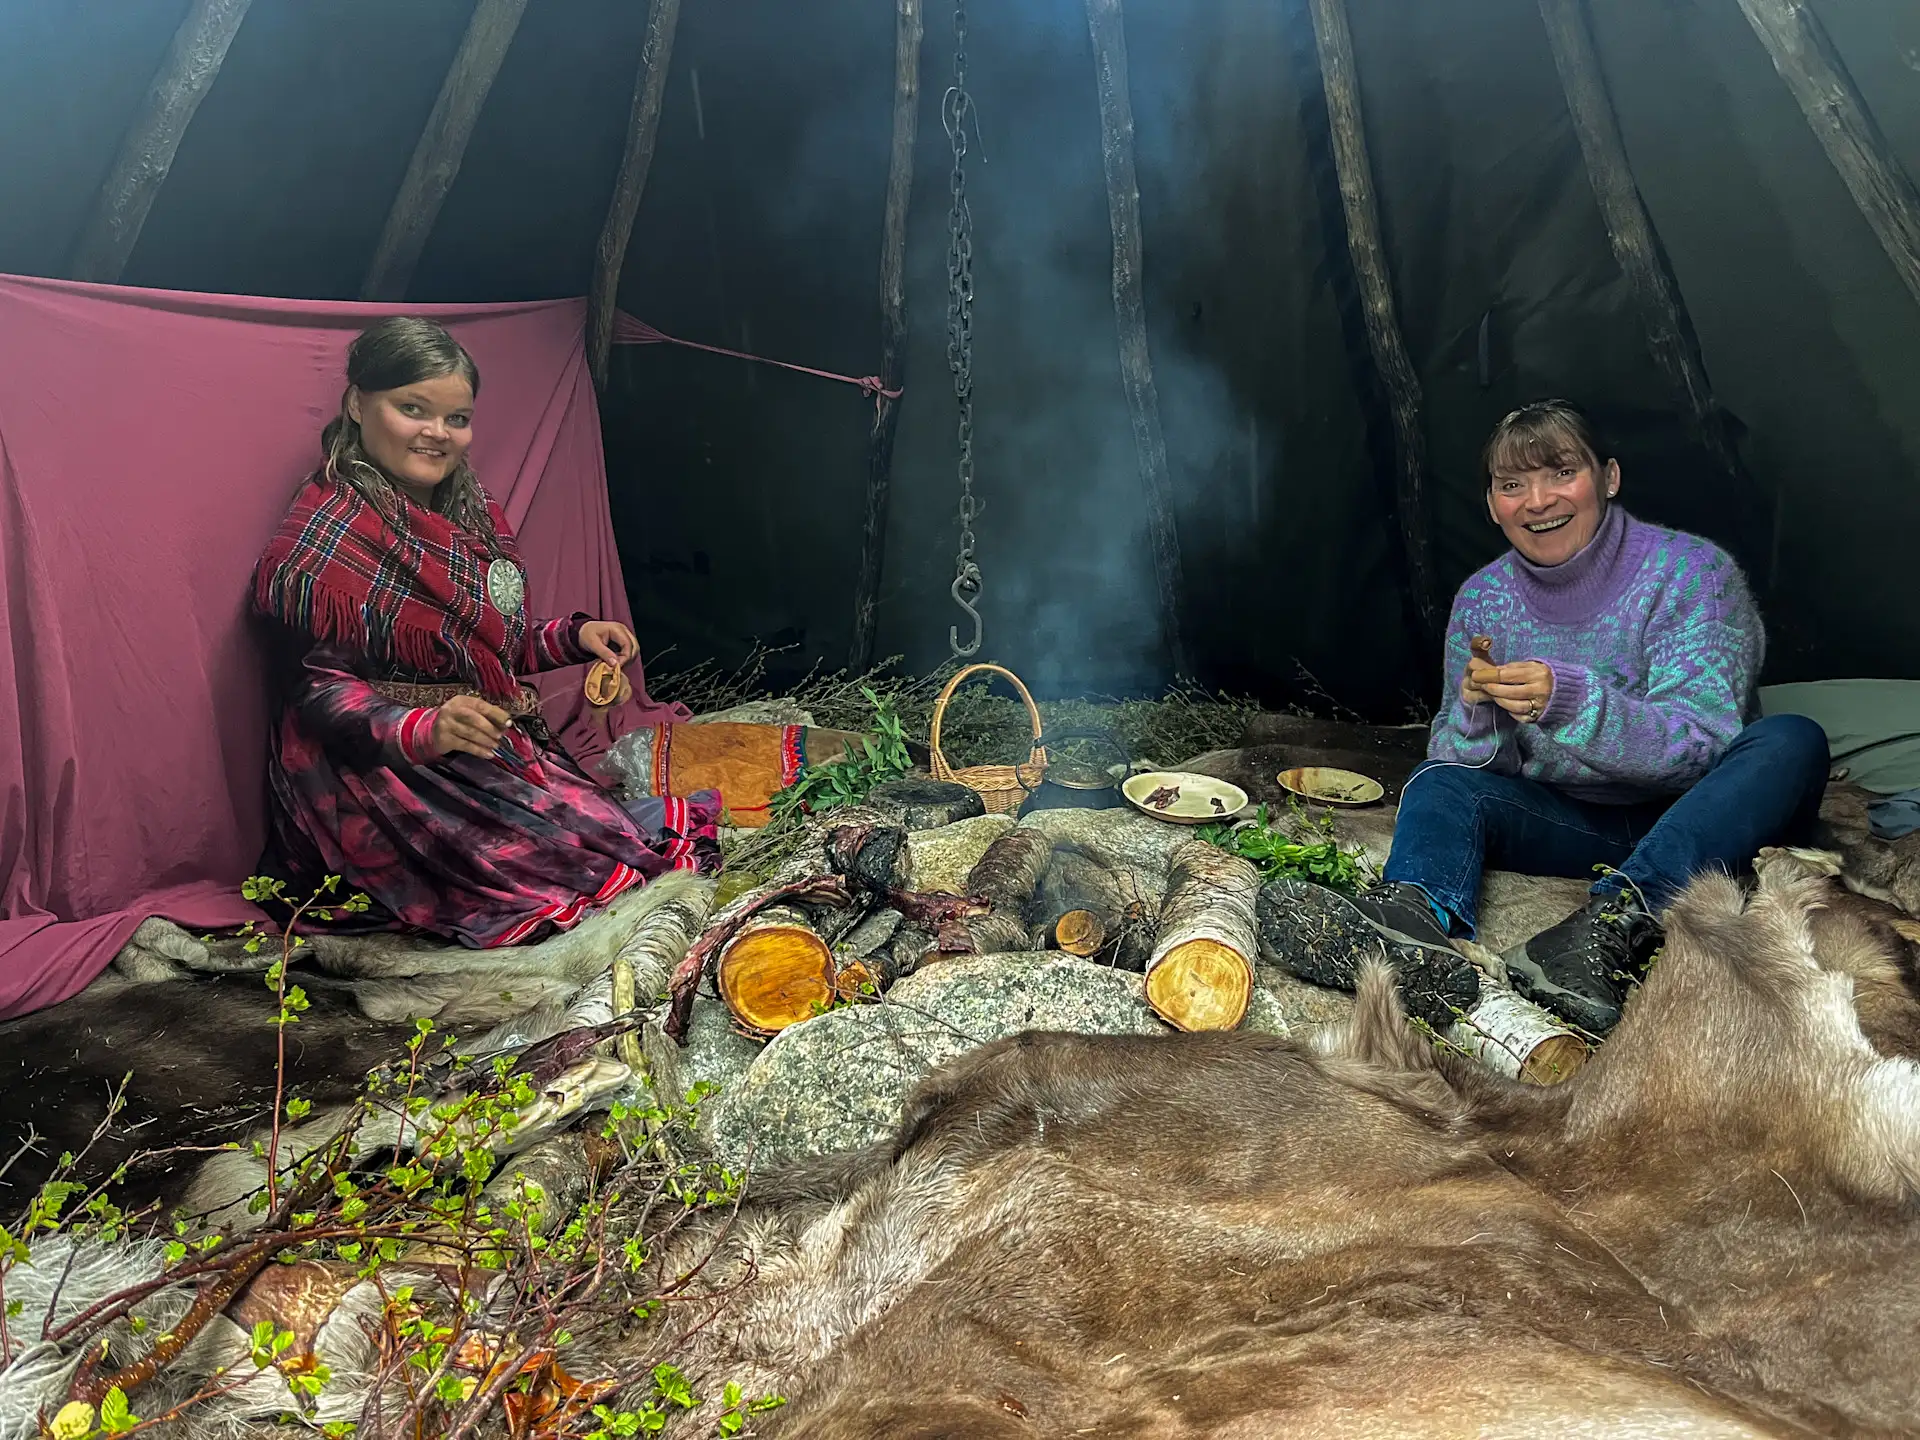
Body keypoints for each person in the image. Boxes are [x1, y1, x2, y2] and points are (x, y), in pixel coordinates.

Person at [1263, 400, 1828, 1034]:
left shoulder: (1692, 574)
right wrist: (1477, 716)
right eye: (1512, 485)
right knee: (1437, 783)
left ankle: (1612, 923)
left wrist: (1571, 703)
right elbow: (1458, 760)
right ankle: (1411, 923)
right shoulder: (1484, 600)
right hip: (1578, 820)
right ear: (1491, 505)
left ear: (1608, 478)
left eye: (1562, 473)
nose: (1538, 501)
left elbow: (1702, 747)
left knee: (1792, 739)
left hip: (1700, 820)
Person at [252, 317, 719, 949]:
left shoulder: (466, 512)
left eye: (456, 418)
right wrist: (425, 729)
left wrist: (574, 638)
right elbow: (318, 692)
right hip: (378, 775)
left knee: (611, 841)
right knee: (557, 875)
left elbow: (487, 647)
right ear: (358, 404)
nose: (437, 434)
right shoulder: (332, 533)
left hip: (474, 746)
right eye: (412, 409)